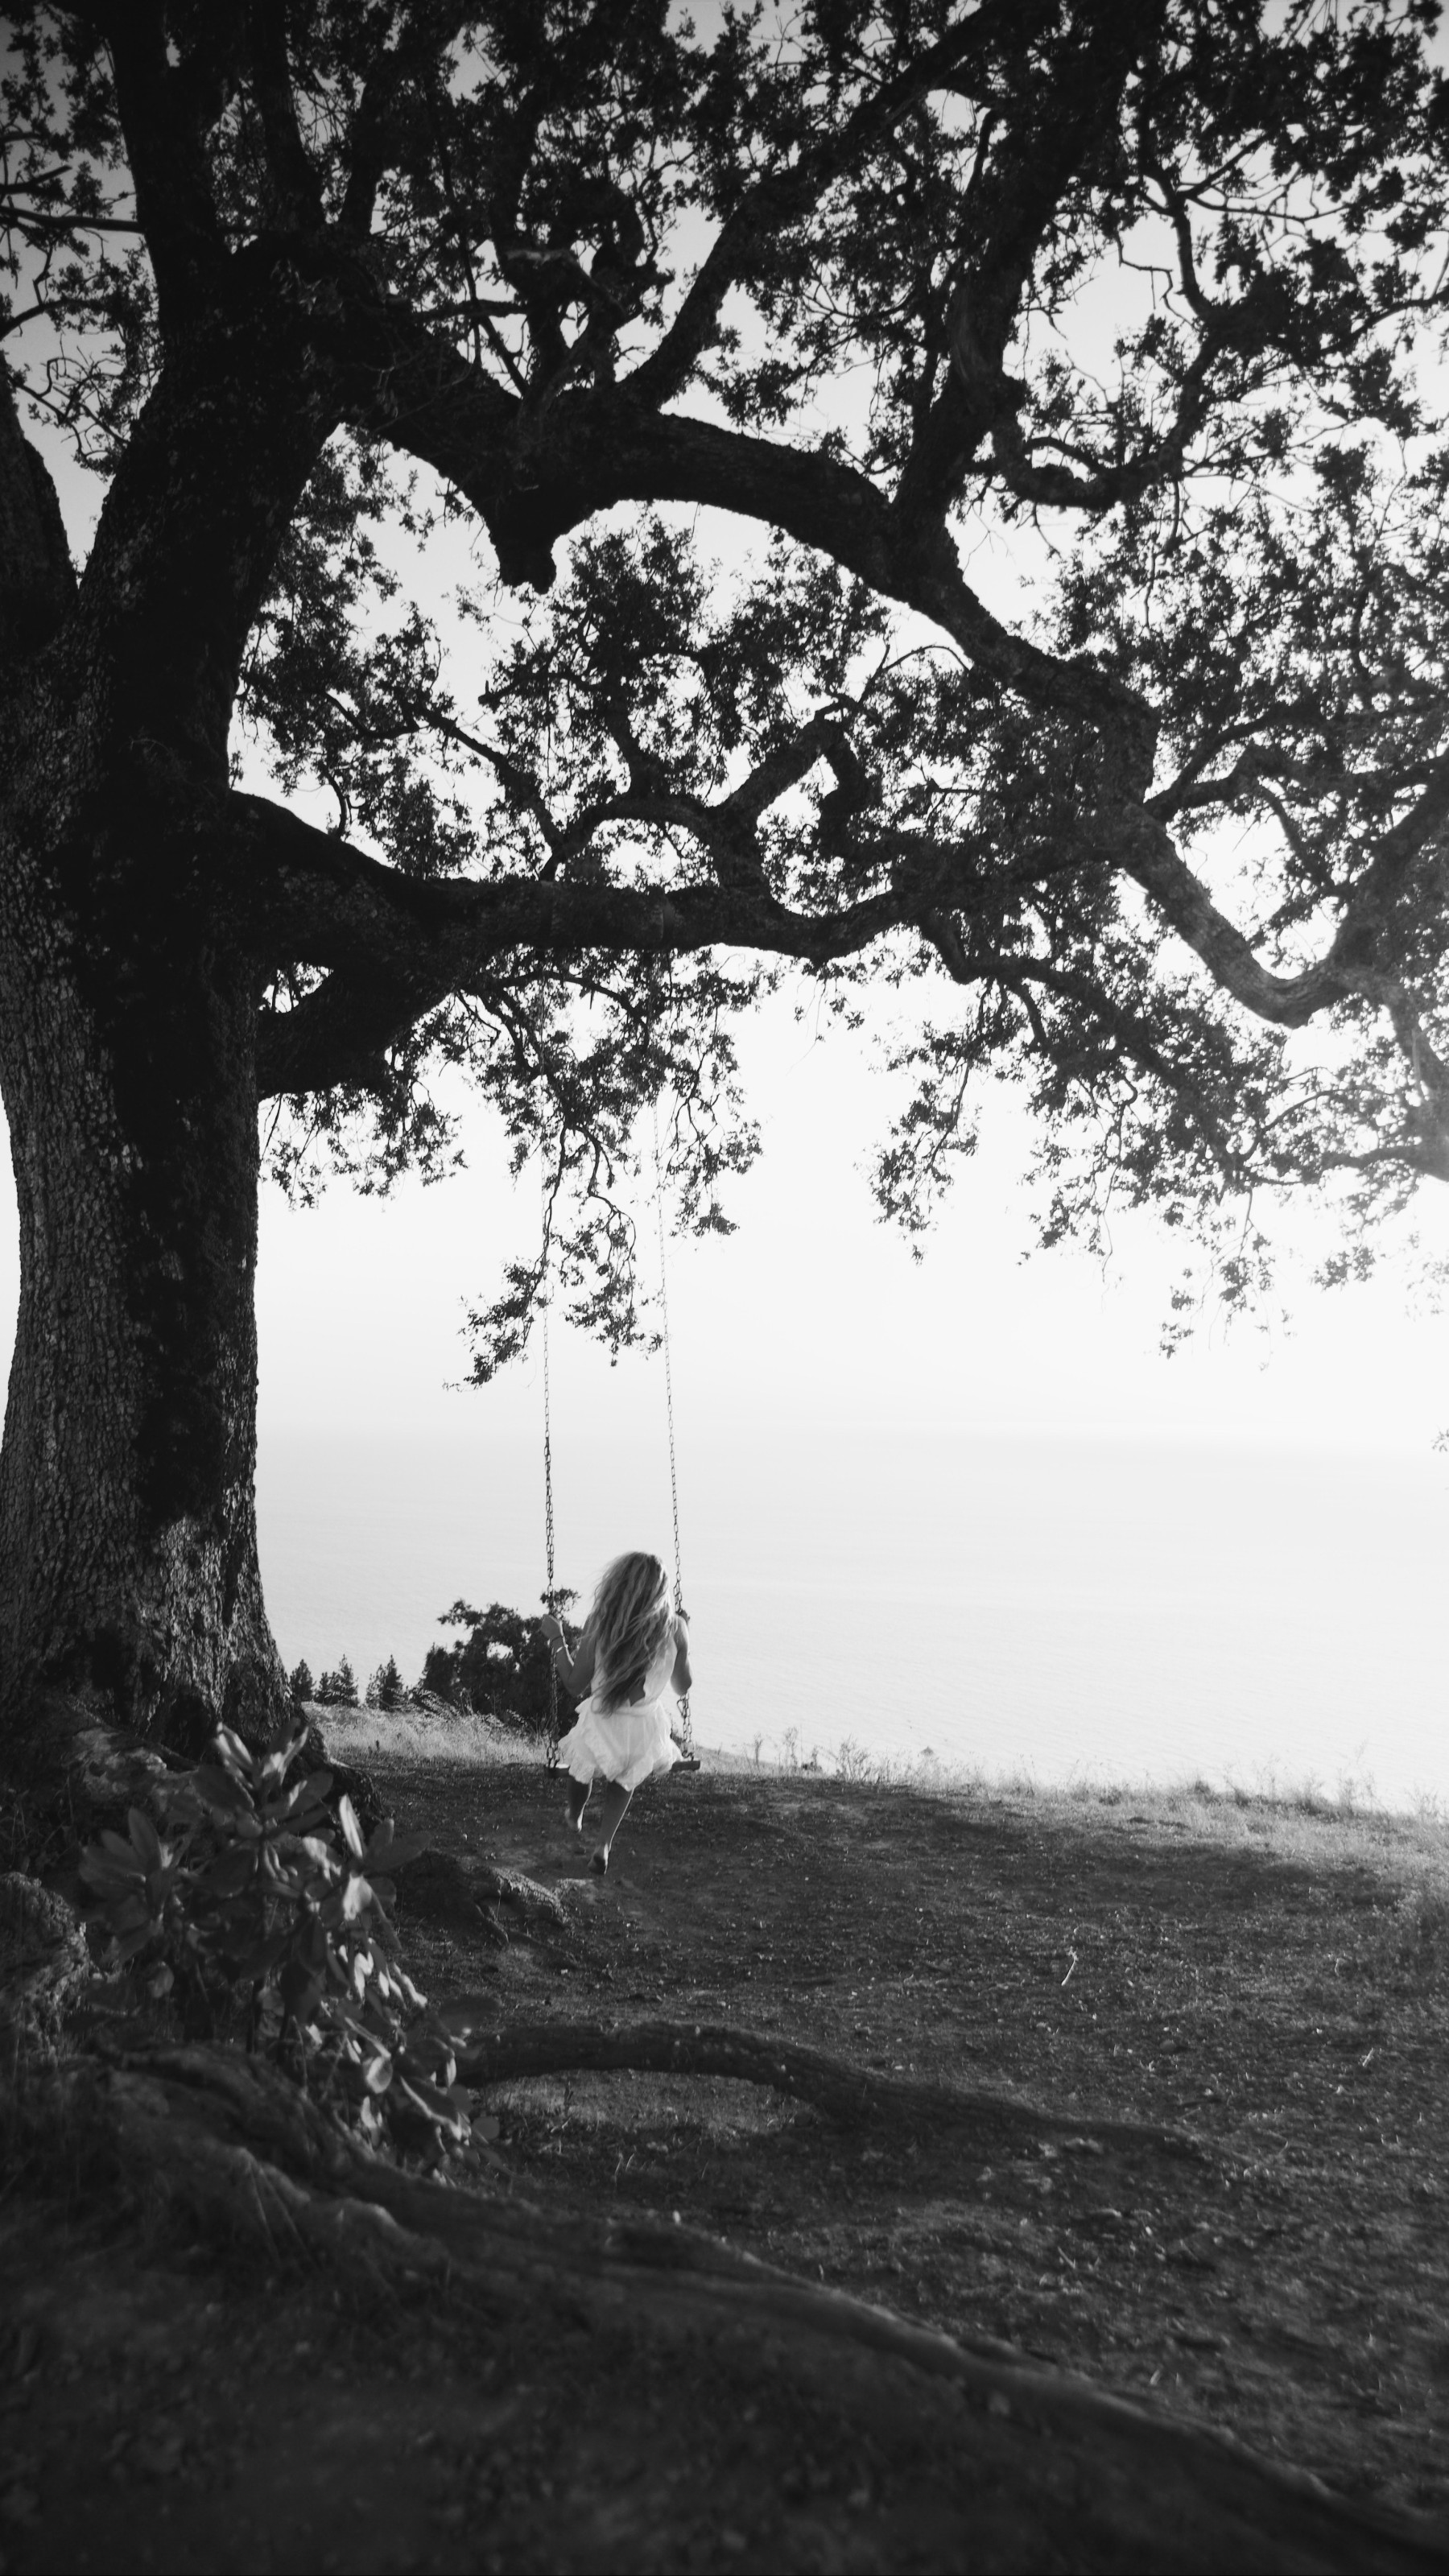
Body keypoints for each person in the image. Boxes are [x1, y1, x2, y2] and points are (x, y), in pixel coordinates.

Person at [539, 1552, 692, 1874]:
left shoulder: (601, 1623)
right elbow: (682, 1686)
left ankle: (574, 1813)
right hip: (645, 1728)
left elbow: (573, 1682)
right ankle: (604, 1845)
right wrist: (683, 1645)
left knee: (581, 1766)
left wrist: (556, 1639)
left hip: (602, 1720)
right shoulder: (675, 1628)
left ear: (617, 1584)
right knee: (624, 1779)